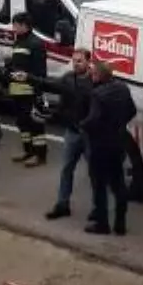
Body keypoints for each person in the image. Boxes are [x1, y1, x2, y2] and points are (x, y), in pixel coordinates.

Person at [80, 62, 136, 235]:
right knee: (119, 184)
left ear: (99, 75)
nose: (92, 75)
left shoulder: (98, 94)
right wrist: (118, 124)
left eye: (94, 73)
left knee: (99, 186)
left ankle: (102, 224)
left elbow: (94, 119)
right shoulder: (123, 88)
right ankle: (120, 224)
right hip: (118, 142)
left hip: (100, 144)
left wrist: (82, 125)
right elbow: (132, 111)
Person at [44, 49, 95, 220]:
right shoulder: (68, 78)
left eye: (79, 61)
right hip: (72, 132)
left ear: (89, 62)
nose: (76, 64)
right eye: (74, 61)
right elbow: (57, 93)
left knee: (94, 173)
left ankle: (97, 208)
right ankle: (62, 204)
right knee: (66, 169)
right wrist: (55, 116)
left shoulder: (95, 81)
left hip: (89, 135)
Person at [3, 12, 48, 166]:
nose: (13, 28)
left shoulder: (35, 43)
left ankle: (39, 155)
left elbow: (40, 72)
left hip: (30, 92)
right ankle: (27, 151)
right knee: (22, 124)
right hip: (17, 91)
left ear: (24, 25)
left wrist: (38, 92)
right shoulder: (19, 42)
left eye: (15, 24)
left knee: (35, 125)